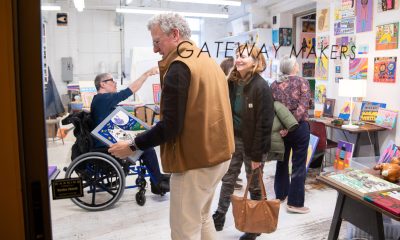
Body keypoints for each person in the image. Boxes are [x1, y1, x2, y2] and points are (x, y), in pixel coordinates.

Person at [108, 13, 234, 240]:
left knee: (184, 232)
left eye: (157, 41)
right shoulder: (207, 61)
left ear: (174, 34)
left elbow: (171, 126)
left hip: (196, 162)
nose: (155, 49)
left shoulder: (179, 67)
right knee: (202, 218)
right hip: (219, 157)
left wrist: (133, 145)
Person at [213, 44, 274, 240]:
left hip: (254, 144)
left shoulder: (261, 87)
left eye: (244, 56)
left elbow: (264, 125)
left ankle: (255, 227)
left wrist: (257, 156)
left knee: (254, 184)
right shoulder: (232, 82)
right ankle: (220, 214)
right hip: (234, 140)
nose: (239, 59)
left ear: (256, 62)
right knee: (228, 178)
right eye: (238, 55)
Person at [90, 70, 170, 195]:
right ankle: (157, 182)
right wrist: (146, 74)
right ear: (102, 84)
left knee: (145, 142)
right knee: (146, 147)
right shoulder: (103, 98)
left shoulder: (100, 100)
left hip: (107, 139)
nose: (115, 83)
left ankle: (157, 179)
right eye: (112, 81)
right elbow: (129, 90)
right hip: (105, 145)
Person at [270, 55, 311, 214]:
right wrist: (291, 125)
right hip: (299, 128)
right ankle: (295, 203)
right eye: (297, 64)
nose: (299, 65)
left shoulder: (274, 85)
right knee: (298, 165)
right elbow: (303, 107)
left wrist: (284, 127)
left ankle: (280, 195)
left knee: (281, 161)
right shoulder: (302, 82)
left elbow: (271, 108)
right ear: (293, 67)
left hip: (280, 129)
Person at [220, 57, 243, 190]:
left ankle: (232, 176)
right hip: (228, 124)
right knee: (230, 154)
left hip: (232, 123)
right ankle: (229, 177)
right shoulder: (226, 84)